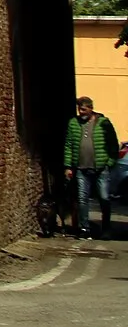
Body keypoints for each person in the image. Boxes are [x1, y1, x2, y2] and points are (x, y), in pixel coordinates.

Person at [64, 96, 120, 239]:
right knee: (82, 199)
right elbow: (69, 145)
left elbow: (113, 144)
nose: (81, 112)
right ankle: (84, 229)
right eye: (79, 109)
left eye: (83, 109)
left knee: (104, 198)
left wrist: (109, 163)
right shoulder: (73, 123)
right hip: (81, 169)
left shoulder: (103, 123)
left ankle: (106, 228)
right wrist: (68, 166)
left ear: (90, 109)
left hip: (101, 168)